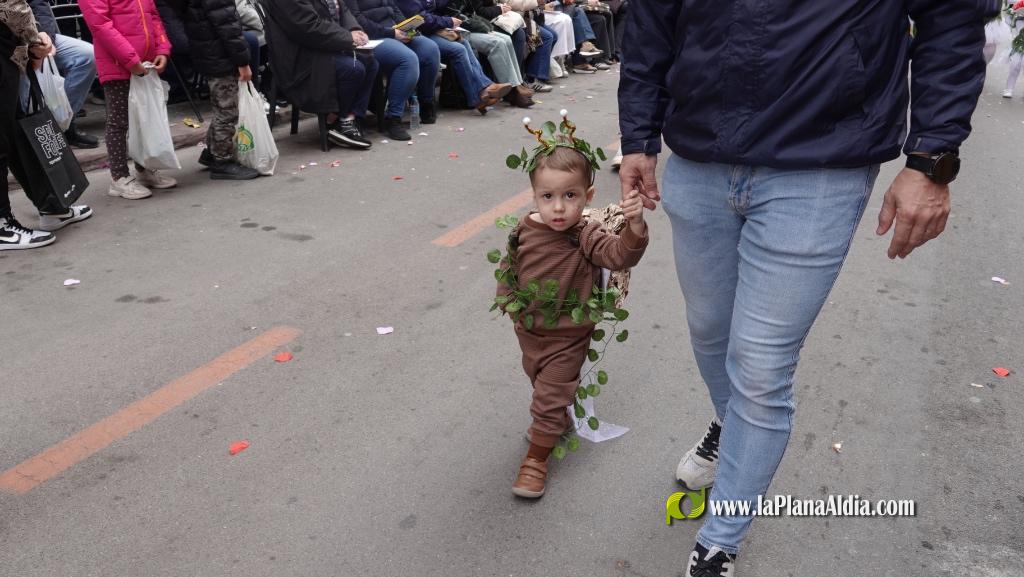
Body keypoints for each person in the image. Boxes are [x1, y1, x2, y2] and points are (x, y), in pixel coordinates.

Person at [619, 1, 997, 575]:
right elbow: (650, 20)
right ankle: (731, 426)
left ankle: (720, 541)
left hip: (822, 160)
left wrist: (931, 159)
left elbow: (951, 17)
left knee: (761, 364)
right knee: (710, 331)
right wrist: (638, 135)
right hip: (700, 153)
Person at [498, 114, 648, 498]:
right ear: (535, 196)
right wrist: (510, 302)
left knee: (548, 395)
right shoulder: (524, 229)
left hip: (568, 336)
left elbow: (618, 255)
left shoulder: (586, 234)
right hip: (530, 332)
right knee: (540, 384)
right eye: (548, 197)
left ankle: (535, 460)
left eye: (570, 196)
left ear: (588, 196)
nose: (559, 208)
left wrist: (635, 229)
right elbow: (508, 267)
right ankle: (557, 417)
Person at [1, 0, 93, 250]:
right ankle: (3, 225)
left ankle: (52, 207)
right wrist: (34, 41)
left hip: (14, 47)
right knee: (7, 138)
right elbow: (12, 6)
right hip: (12, 46)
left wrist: (38, 38)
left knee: (21, 132)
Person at [79, 0, 176, 200]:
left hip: (145, 63)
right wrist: (130, 60)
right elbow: (100, 25)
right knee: (119, 122)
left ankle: (144, 168)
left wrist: (162, 49)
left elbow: (153, 15)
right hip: (117, 64)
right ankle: (119, 178)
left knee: (144, 118)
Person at [263, 0, 379, 150]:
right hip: (300, 55)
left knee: (370, 62)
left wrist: (354, 29)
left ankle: (348, 119)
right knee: (353, 69)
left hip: (322, 45)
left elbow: (342, 8)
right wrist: (347, 37)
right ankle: (337, 122)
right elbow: (307, 26)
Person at [181, 0, 260, 179]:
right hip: (220, 55)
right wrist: (242, 61)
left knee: (222, 107)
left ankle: (212, 152)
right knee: (227, 110)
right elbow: (228, 25)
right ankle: (222, 161)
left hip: (208, 50)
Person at [344, 0, 441, 140]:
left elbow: (394, 9)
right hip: (372, 37)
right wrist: (392, 33)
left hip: (394, 31)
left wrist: (406, 28)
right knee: (407, 59)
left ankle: (426, 103)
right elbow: (357, 20)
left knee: (430, 49)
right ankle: (394, 118)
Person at [395, 0, 512, 114]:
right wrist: (448, 21)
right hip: (416, 33)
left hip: (432, 29)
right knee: (458, 50)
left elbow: (436, 6)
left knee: (464, 43)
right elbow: (421, 19)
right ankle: (478, 97)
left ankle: (484, 88)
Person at [27, 0, 99, 148]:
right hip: (11, 42)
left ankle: (64, 123)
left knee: (87, 56)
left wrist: (46, 39)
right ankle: (29, 134)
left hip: (35, 33)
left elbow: (39, 6)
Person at [461, 0, 534, 107]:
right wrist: (499, 9)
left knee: (508, 39)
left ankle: (517, 83)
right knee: (498, 43)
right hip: (462, 29)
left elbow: (471, 13)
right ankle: (512, 90)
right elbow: (476, 12)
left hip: (473, 24)